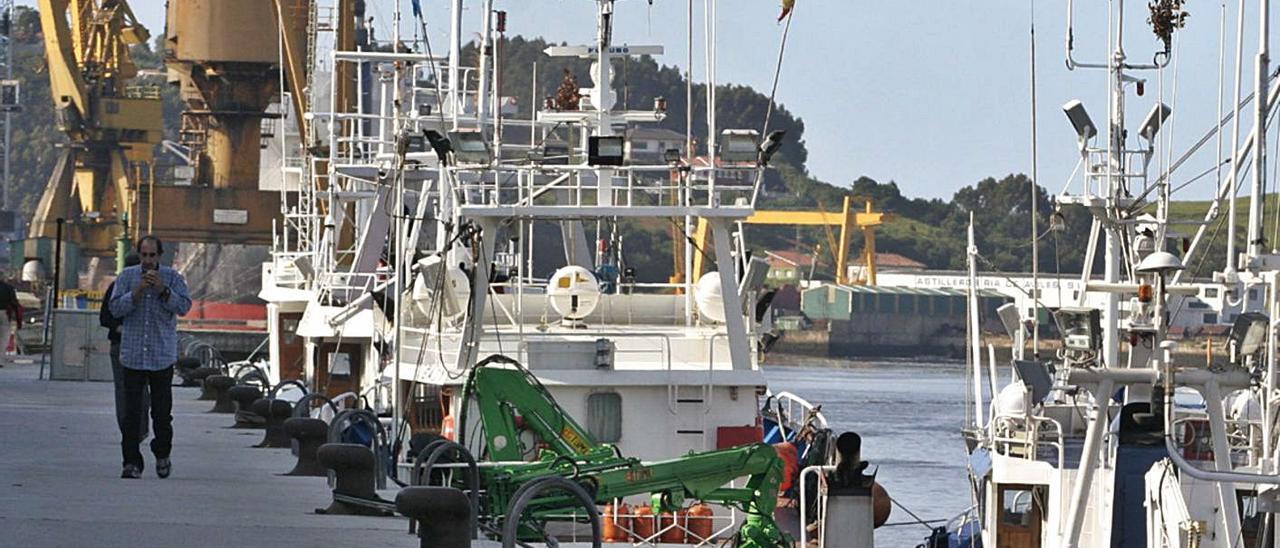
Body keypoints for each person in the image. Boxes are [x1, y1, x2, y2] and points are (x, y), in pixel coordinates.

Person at [109, 236, 191, 479]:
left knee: (162, 414)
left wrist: (162, 290)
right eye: (144, 256)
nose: (147, 261)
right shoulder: (126, 277)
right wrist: (136, 292)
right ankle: (131, 462)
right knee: (131, 413)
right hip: (133, 355)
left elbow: (184, 306)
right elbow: (114, 309)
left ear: (159, 256)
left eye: (152, 256)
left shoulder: (173, 278)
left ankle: (162, 451)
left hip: (160, 355)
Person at [101, 253, 148, 440]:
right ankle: (134, 431)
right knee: (132, 390)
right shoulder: (118, 288)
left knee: (128, 391)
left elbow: (104, 317)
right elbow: (106, 317)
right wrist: (124, 329)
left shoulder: (118, 287)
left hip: (135, 346)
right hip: (123, 345)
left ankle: (135, 430)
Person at [0, 272, 16, 366]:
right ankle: (0, 360)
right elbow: (14, 302)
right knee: (3, 338)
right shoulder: (8, 288)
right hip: (4, 313)